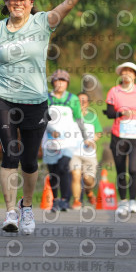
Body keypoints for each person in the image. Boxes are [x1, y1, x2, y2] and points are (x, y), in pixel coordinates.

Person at [0, 0, 98, 234]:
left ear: (31, 1)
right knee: (10, 153)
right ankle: (10, 213)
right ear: (6, 2)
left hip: (35, 103)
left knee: (29, 161)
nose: (17, 3)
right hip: (2, 100)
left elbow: (68, 4)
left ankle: (27, 207)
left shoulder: (42, 23)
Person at [104, 62, 136, 217]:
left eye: (130, 72)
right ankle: (123, 201)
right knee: (121, 170)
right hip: (118, 135)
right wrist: (121, 114)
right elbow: (110, 112)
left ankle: (133, 201)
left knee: (132, 169)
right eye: (124, 71)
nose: (127, 74)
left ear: (134, 75)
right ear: (120, 74)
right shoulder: (114, 91)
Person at [42, 70, 91, 211]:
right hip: (49, 140)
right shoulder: (46, 98)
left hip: (68, 141)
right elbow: (42, 118)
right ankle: (55, 200)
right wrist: (51, 130)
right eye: (57, 80)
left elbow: (79, 120)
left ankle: (65, 199)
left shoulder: (73, 99)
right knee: (53, 171)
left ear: (67, 83)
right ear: (53, 82)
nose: (60, 83)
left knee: (63, 166)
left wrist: (86, 137)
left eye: (63, 81)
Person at [72, 91, 102, 207]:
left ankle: (89, 192)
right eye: (79, 100)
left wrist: (92, 140)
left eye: (84, 100)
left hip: (89, 153)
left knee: (88, 179)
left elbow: (98, 133)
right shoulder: (71, 116)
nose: (82, 103)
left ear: (88, 103)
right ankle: (76, 201)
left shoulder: (92, 116)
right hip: (74, 152)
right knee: (76, 175)